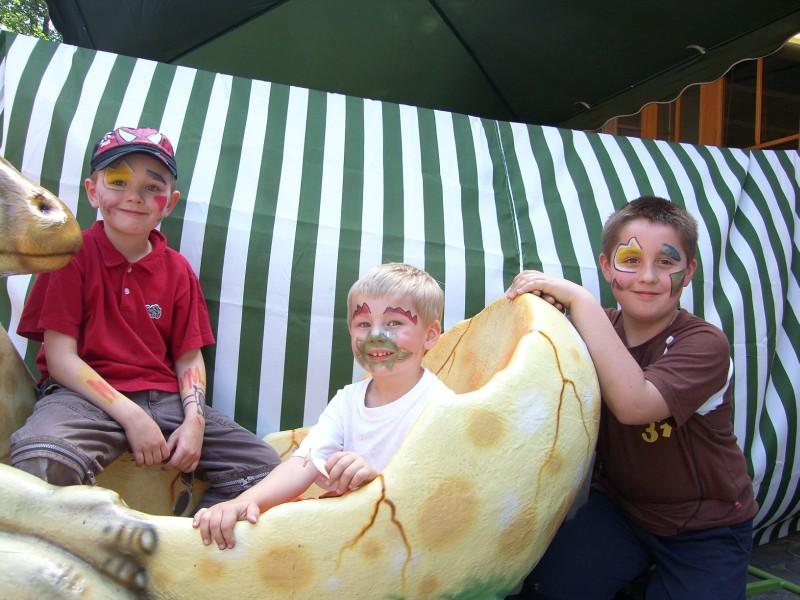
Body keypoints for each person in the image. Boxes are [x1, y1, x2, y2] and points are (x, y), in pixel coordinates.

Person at [10, 126, 280, 512]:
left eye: (152, 187)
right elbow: (60, 358)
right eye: (118, 181)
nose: (134, 197)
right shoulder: (73, 256)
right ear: (93, 191)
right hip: (81, 399)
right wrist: (131, 416)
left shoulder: (178, 269)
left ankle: (194, 538)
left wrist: (194, 422)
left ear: (169, 203)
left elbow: (188, 357)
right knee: (41, 457)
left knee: (264, 469)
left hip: (166, 401)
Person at [506, 196, 757, 600]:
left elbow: (633, 404)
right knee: (549, 588)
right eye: (631, 260)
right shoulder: (596, 326)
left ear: (688, 272)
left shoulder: (705, 343)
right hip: (623, 509)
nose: (649, 277)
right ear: (607, 267)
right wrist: (543, 311)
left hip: (706, 526)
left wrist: (580, 300)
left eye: (667, 262)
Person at [193, 262, 450, 549]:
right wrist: (244, 501)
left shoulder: (441, 405)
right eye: (363, 324)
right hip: (350, 536)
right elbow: (304, 463)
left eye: (394, 323)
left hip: (401, 545)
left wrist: (377, 479)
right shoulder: (347, 399)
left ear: (430, 335)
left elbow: (437, 494)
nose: (375, 335)